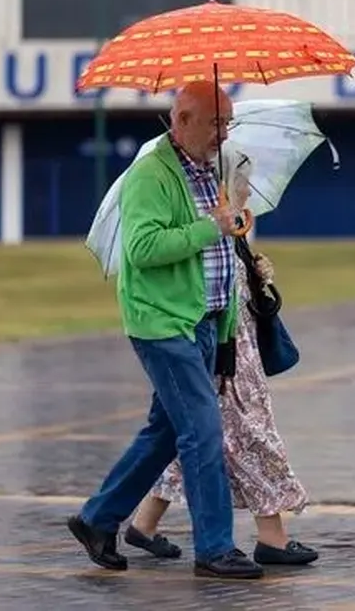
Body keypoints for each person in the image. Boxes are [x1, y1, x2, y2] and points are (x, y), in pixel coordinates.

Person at [66, 80, 264, 580]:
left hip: (202, 321)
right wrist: (211, 227)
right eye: (217, 123)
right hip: (162, 323)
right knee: (201, 432)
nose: (225, 133)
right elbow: (144, 249)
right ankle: (216, 548)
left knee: (165, 433)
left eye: (228, 122)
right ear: (182, 120)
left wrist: (223, 334)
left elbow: (219, 254)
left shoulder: (207, 169)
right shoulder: (150, 175)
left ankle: (96, 519)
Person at [124, 154, 318, 567]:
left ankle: (144, 523)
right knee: (250, 432)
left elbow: (227, 271)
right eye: (243, 181)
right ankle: (272, 536)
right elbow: (197, 273)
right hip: (222, 345)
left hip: (228, 338)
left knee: (194, 436)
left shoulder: (231, 220)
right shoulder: (204, 216)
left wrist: (253, 266)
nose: (249, 189)